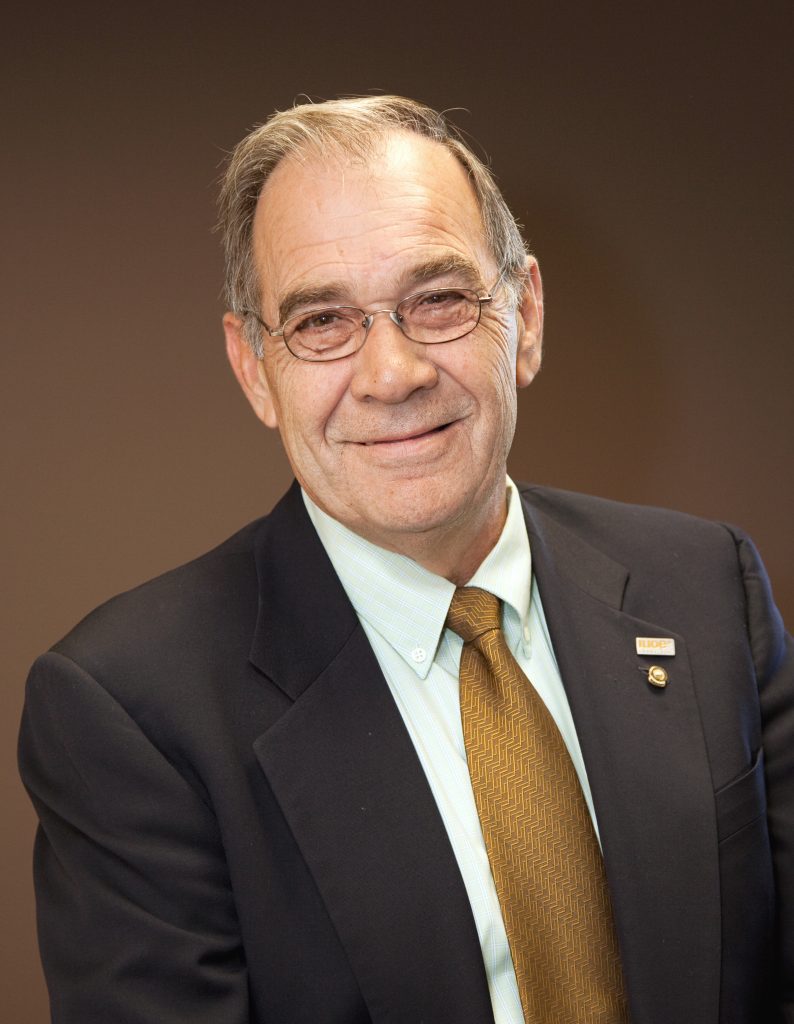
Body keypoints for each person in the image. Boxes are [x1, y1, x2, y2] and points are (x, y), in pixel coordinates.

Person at [19, 96, 792, 1024]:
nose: (393, 374)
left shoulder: (707, 588)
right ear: (255, 368)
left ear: (526, 315)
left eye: (439, 301)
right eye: (321, 321)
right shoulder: (129, 713)